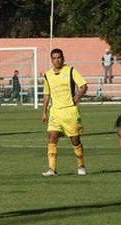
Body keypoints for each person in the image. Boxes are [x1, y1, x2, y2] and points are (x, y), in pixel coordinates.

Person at [41, 48, 88, 177]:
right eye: (54, 58)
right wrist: (44, 112)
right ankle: (52, 169)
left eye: (59, 57)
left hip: (70, 111)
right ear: (51, 60)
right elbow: (46, 94)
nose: (57, 60)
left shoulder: (71, 71)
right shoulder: (47, 75)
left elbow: (83, 86)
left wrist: (77, 97)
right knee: (52, 137)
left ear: (63, 58)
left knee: (75, 140)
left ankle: (81, 165)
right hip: (55, 112)